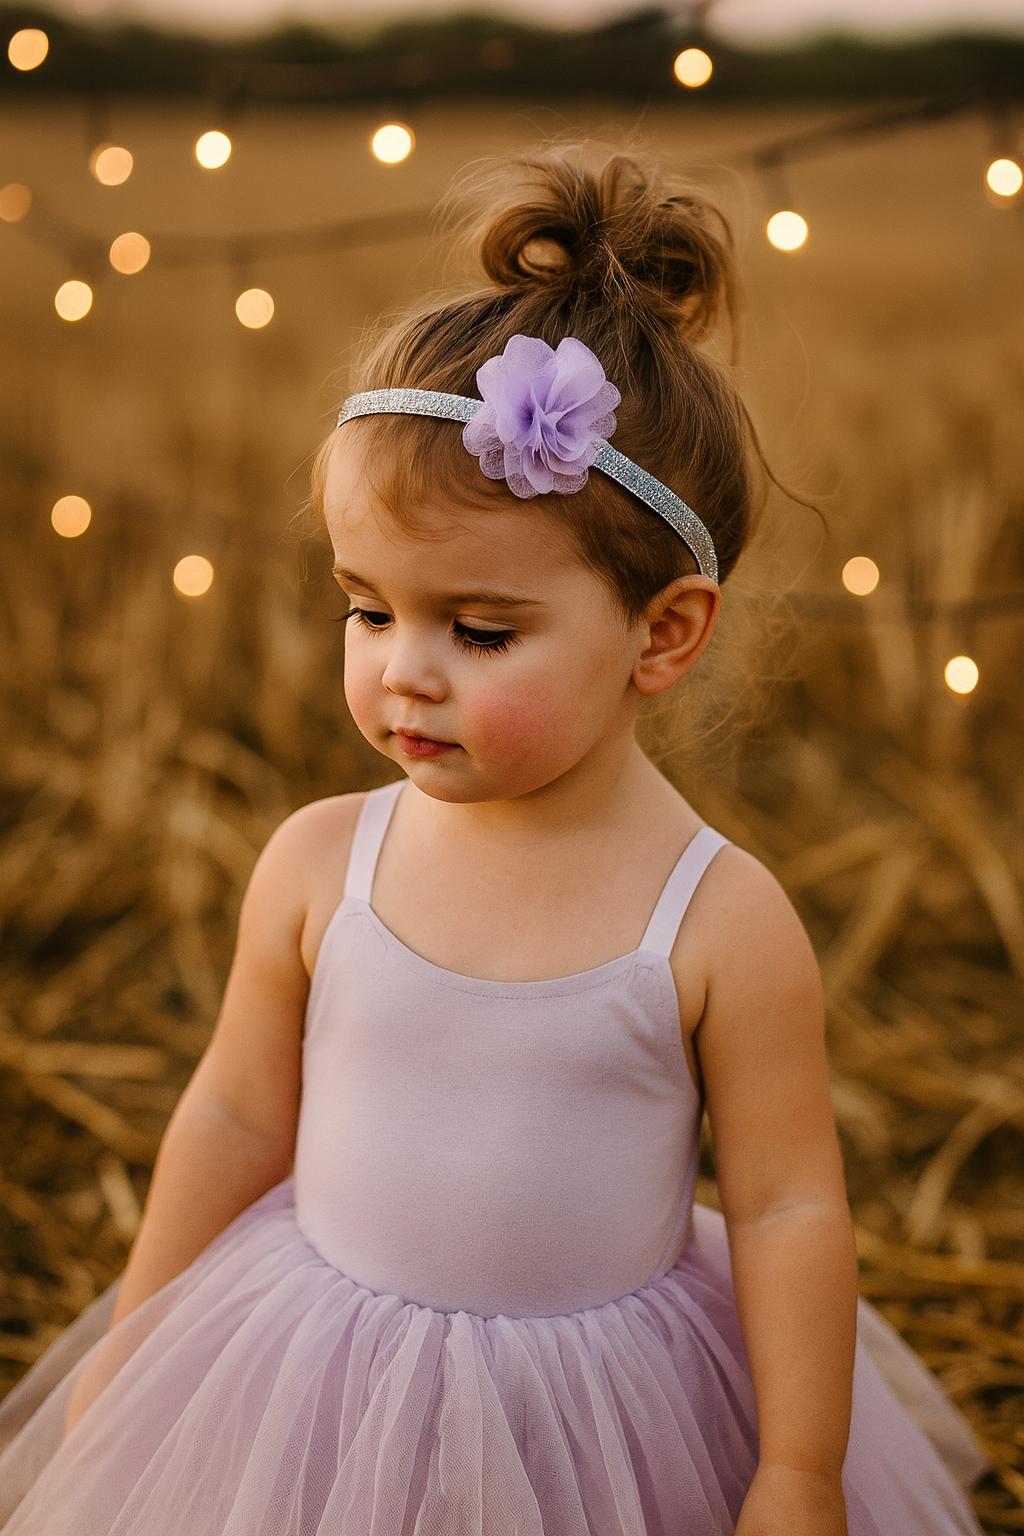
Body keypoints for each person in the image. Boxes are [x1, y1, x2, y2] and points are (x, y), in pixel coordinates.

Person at [0, 139, 991, 1535]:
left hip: (598, 1422)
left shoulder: (715, 920)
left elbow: (786, 1211)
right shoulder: (319, 866)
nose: (403, 670)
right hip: (314, 1389)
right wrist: (135, 1340)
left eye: (476, 630)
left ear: (662, 634)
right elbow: (233, 1114)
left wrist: (797, 1469)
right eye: (367, 608)